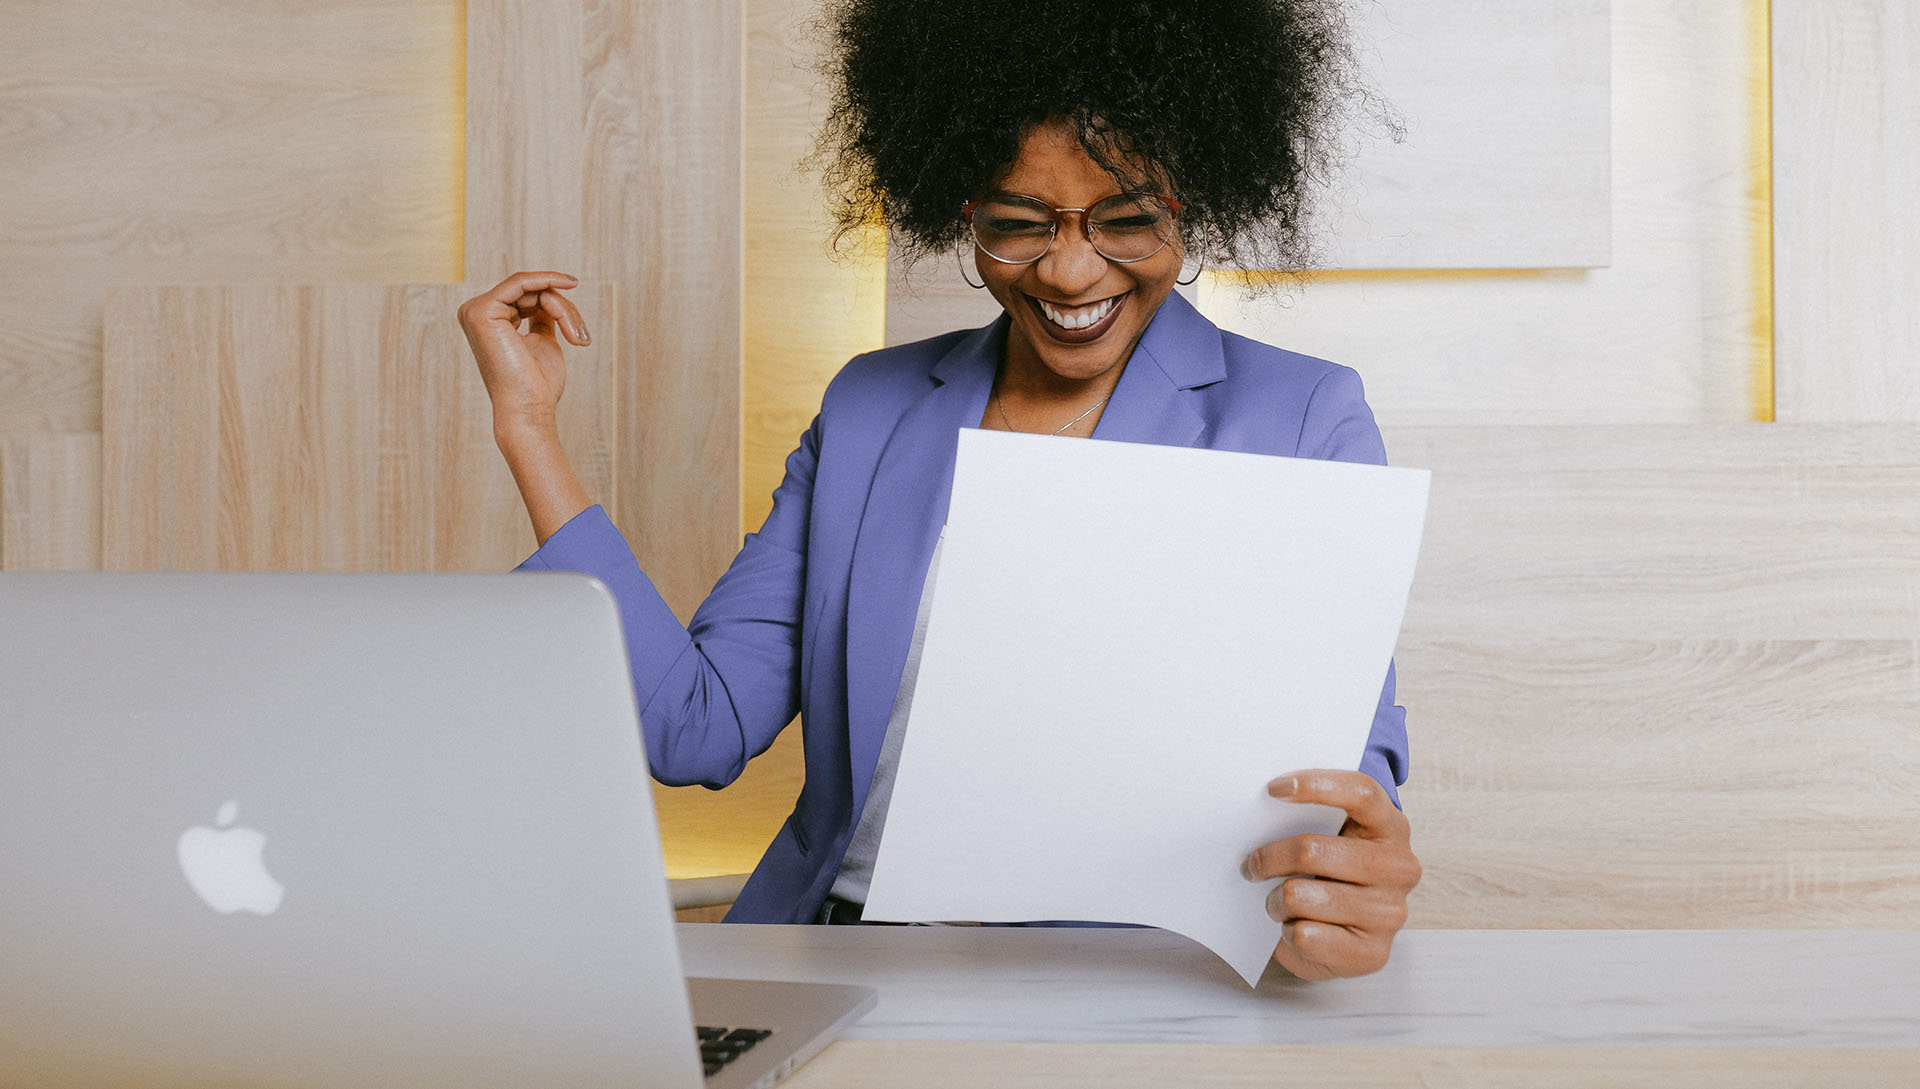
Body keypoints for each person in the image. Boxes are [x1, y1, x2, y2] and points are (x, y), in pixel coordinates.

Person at [458, 0, 1420, 981]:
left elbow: (1352, 765)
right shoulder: (872, 409)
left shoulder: (1302, 418)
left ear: (1189, 201)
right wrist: (529, 428)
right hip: (833, 966)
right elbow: (692, 728)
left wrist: (1352, 865)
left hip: (1125, 987)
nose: (1071, 268)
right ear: (962, 207)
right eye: (1019, 222)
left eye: (1126, 217)